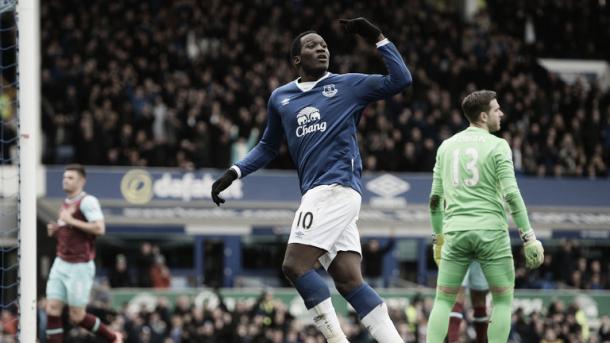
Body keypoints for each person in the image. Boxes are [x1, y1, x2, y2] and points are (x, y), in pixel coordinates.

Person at [211, 17, 412, 343]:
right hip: (321, 193)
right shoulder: (281, 97)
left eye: (324, 45)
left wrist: (376, 36)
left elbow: (401, 79)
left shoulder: (348, 85)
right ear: (296, 59)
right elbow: (266, 146)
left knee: (294, 266)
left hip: (336, 188)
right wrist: (233, 172)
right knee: (349, 282)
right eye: (312, 45)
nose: (321, 48)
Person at [426, 90, 544, 343]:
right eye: (496, 109)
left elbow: (435, 201)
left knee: (444, 300)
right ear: (483, 116)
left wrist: (438, 240)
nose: (501, 113)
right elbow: (512, 196)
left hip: (455, 233)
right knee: (502, 301)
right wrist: (529, 237)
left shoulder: (446, 147)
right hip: (491, 233)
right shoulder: (499, 145)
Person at [45, 164, 122, 343]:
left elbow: (99, 227)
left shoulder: (88, 201)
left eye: (70, 177)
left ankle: (113, 338)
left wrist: (70, 220)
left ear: (81, 181)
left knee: (77, 316)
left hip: (79, 266)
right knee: (52, 308)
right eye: (64, 177)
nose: (65, 180)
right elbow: (71, 231)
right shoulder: (65, 203)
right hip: (61, 261)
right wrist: (56, 230)